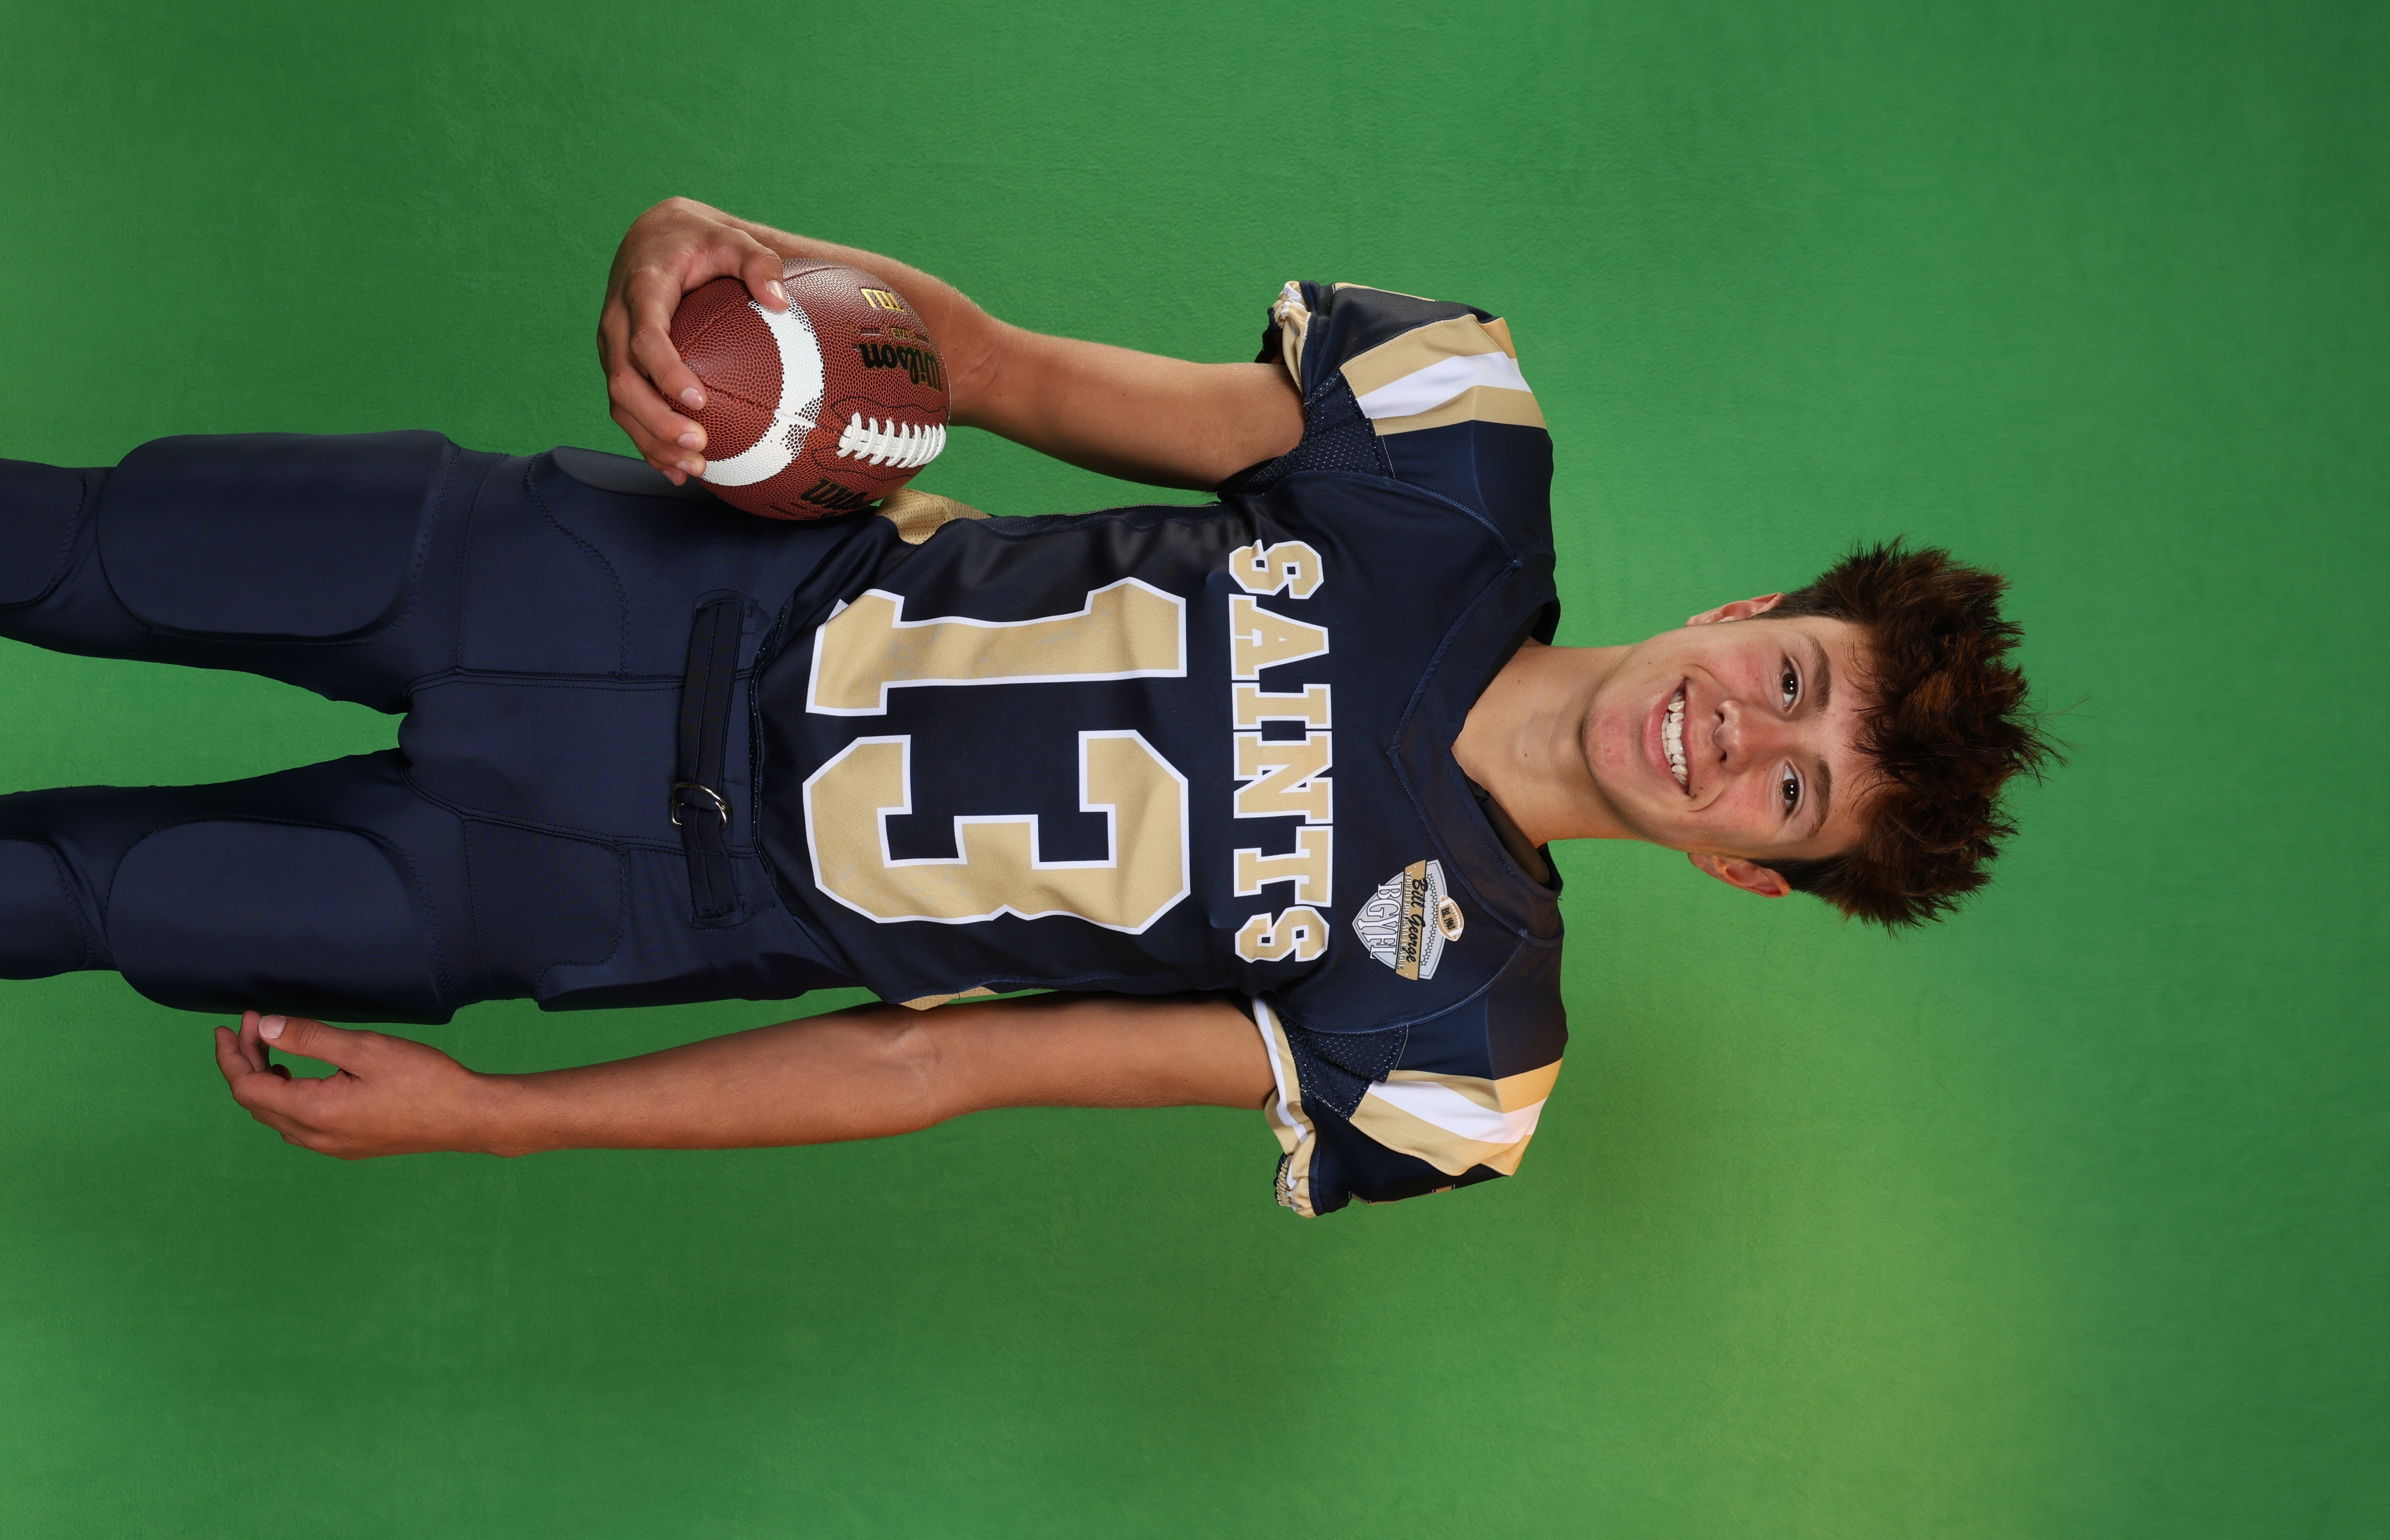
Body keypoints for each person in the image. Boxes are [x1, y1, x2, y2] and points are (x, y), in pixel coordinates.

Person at [0, 198, 2050, 1215]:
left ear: (1752, 872)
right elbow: (980, 369)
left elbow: (935, 1066)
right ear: (1752, 611)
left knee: (73, 896)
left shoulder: (1459, 1041)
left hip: (615, 891)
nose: (1737, 736)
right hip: (615, 577)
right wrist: (726, 249)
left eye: (1793, 793)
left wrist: (503, 1119)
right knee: (70, 545)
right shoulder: (1446, 461)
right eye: (1793, 682)